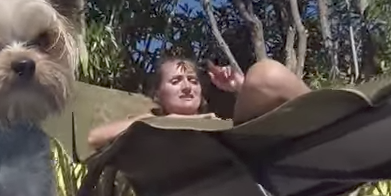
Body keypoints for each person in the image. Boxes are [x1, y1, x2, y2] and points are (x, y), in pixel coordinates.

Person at [87, 56, 311, 150]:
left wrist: (242, 87)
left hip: (246, 144)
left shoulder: (216, 120)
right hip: (230, 159)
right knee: (266, 72)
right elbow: (94, 138)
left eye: (193, 80)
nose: (187, 87)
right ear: (158, 95)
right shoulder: (151, 122)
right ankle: (335, 127)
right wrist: (165, 121)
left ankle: (331, 127)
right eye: (175, 81)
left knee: (267, 74)